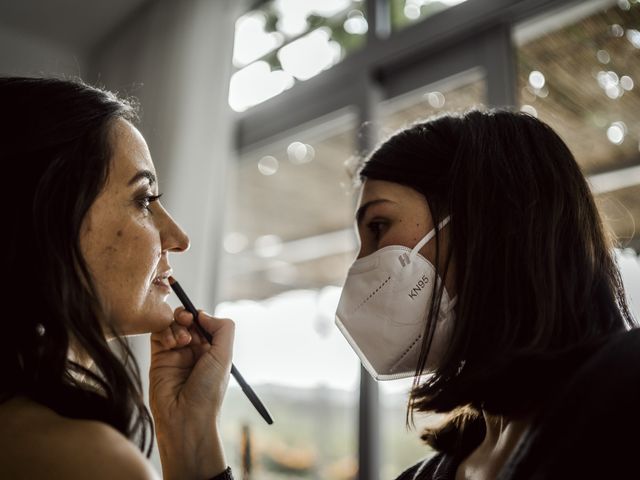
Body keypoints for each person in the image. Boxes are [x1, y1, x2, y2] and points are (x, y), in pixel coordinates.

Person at [335, 109, 640, 479]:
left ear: (482, 219)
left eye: (379, 226)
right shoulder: (423, 476)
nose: (359, 267)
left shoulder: (624, 395)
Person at [0, 77, 235, 480]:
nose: (179, 239)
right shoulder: (89, 462)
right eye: (144, 200)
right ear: (53, 220)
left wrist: (187, 430)